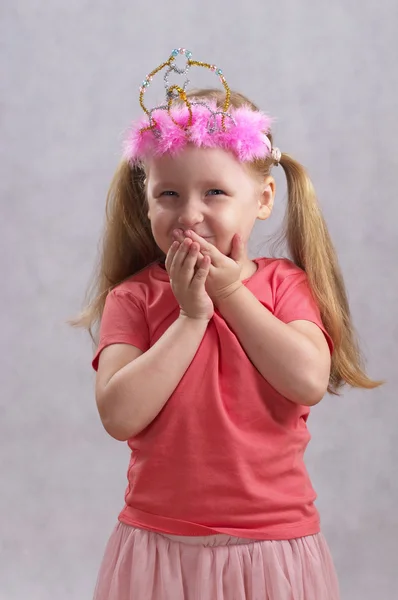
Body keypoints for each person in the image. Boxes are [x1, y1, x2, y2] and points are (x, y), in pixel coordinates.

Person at [73, 47, 382, 599]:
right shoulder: (134, 298)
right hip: (158, 546)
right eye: (168, 194)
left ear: (262, 199)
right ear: (146, 205)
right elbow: (119, 414)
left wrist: (230, 294)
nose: (189, 213)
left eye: (214, 191)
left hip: (270, 547)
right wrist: (192, 317)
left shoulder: (285, 286)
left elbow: (307, 379)